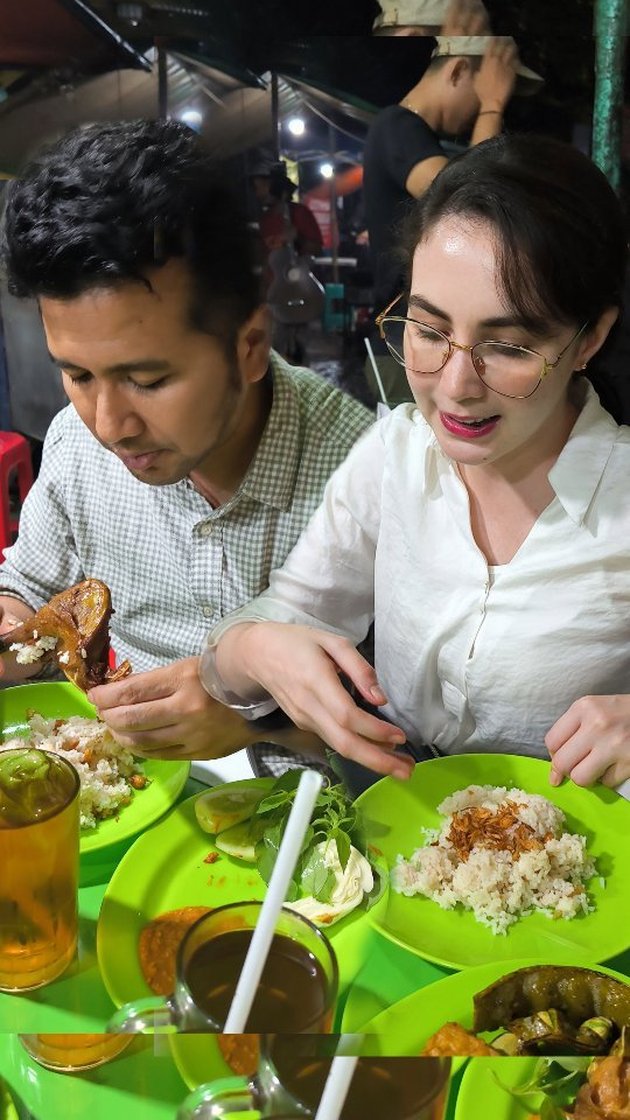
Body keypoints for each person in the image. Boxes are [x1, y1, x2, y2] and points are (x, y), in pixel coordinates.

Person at [201, 133, 630, 793]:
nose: (455, 386)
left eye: (509, 346)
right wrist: (253, 647)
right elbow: (274, 622)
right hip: (394, 820)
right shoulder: (395, 455)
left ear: (589, 340)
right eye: (429, 332)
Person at [0, 119, 373, 763]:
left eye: (147, 379)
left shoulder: (364, 472)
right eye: (78, 374)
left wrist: (254, 722)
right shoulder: (74, 441)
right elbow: (26, 588)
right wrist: (12, 625)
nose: (109, 424)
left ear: (249, 345)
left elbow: (410, 719)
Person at [363, 16, 542, 404]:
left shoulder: (420, 141)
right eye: (484, 95)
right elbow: (467, 206)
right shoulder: (396, 124)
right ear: (459, 70)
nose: (484, 110)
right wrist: (492, 108)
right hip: (407, 346)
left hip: (429, 344)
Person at [250, 162, 324, 365]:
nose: (257, 192)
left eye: (260, 185)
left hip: (299, 292)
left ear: (273, 186)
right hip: (270, 296)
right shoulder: (263, 220)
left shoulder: (299, 214)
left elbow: (316, 248)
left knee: (300, 354)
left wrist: (296, 236)